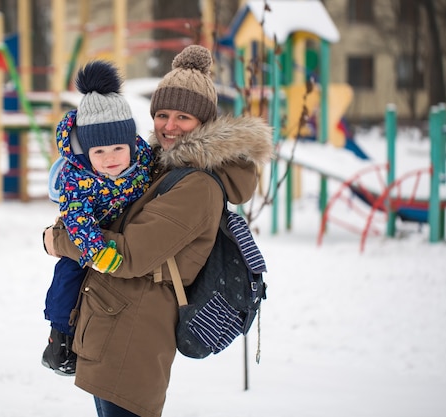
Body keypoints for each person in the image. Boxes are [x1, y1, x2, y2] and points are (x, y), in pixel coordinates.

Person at [43, 45, 273, 417]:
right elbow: (105, 214)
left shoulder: (198, 185)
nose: (169, 125)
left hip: (134, 335)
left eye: (183, 116)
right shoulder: (156, 167)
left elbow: (130, 255)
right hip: (114, 324)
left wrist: (58, 240)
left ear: (205, 123)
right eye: (162, 114)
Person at [41, 61, 154, 376]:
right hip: (87, 235)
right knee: (68, 277)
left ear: (132, 143)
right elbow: (76, 216)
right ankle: (60, 337)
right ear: (86, 153)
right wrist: (94, 250)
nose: (111, 159)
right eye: (99, 152)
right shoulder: (76, 177)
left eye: (118, 148)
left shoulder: (144, 162)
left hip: (125, 233)